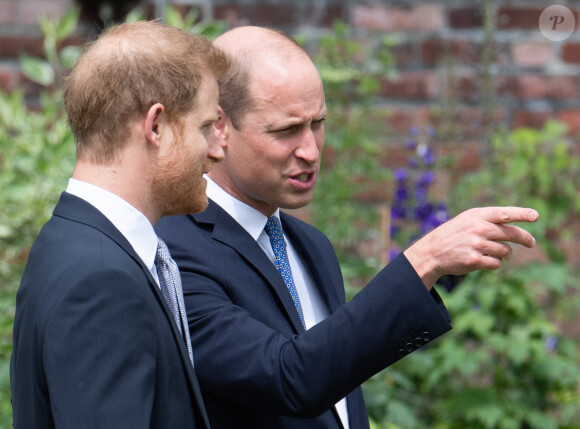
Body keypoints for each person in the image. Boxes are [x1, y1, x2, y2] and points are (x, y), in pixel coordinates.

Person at [155, 26, 538, 429]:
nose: (310, 150)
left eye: (317, 123)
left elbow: (335, 383)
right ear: (218, 128)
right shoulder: (174, 248)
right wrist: (424, 261)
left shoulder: (309, 245)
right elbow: (289, 378)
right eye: (286, 130)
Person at [10, 21, 228, 428]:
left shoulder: (71, 240)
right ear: (156, 126)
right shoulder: (102, 282)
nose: (218, 150)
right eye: (204, 127)